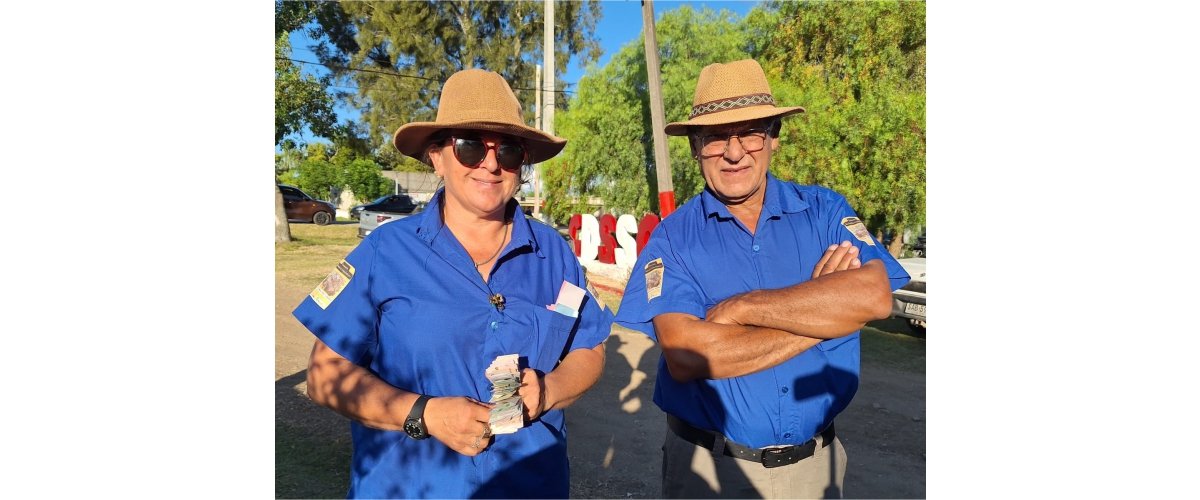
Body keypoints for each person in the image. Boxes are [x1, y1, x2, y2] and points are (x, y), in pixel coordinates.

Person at [293, 68, 613, 498]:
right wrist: (424, 414)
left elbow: (588, 348)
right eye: (470, 146)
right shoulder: (384, 252)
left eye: (509, 151)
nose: (491, 164)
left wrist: (550, 390)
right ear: (437, 157)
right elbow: (324, 376)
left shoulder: (555, 254)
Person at [614, 59, 911, 499]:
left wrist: (743, 308)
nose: (734, 153)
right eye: (715, 137)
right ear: (695, 147)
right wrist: (828, 311)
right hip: (708, 470)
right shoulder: (672, 238)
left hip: (816, 469)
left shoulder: (825, 211)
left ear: (774, 136)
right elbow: (686, 356)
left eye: (751, 132)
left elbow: (875, 297)